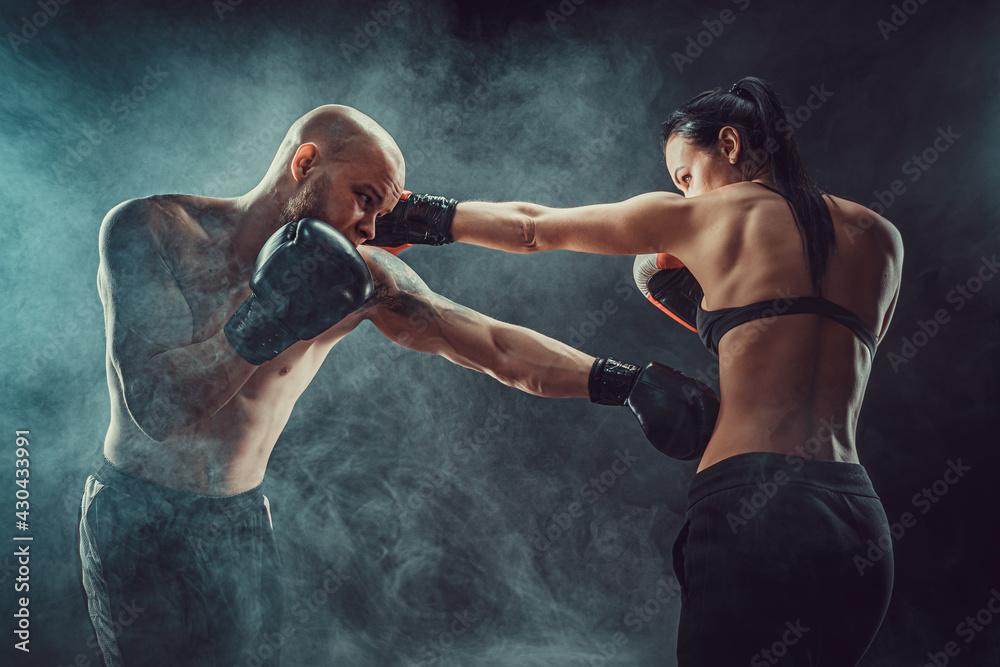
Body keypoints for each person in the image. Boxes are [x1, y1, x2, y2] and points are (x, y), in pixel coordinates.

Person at [80, 104, 717, 667]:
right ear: (305, 163)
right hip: (139, 516)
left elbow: (490, 344)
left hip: (240, 518)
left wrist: (622, 382)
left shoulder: (362, 277)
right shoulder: (154, 230)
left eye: (384, 212)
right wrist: (265, 315)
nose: (369, 228)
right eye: (363, 198)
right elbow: (158, 409)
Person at [369, 77, 904, 665]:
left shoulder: (701, 217)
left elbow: (531, 229)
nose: (684, 192)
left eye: (685, 176)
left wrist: (417, 215)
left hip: (753, 502)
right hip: (856, 518)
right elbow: (805, 344)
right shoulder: (881, 239)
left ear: (728, 144)